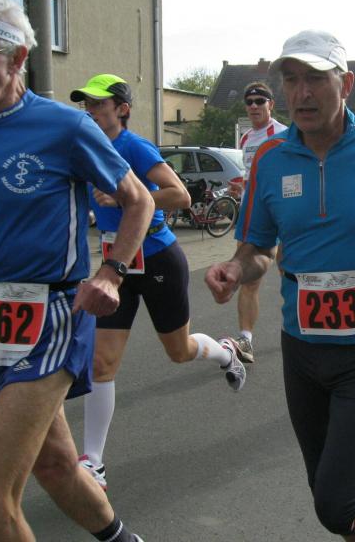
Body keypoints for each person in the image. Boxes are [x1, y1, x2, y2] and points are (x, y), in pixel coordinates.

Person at [205, 30, 355, 542]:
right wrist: (234, 269)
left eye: (316, 78)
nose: (302, 92)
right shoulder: (269, 159)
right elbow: (257, 250)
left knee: (337, 502)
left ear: (346, 83)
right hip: (302, 349)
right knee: (328, 494)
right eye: (291, 80)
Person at [0, 0, 149, 541]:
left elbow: (138, 200)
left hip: (53, 316)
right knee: (57, 465)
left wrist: (111, 272)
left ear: (17, 57)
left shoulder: (65, 127)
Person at [71, 74, 246, 490]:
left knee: (179, 351)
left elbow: (180, 195)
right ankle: (93, 461)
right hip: (115, 263)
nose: (90, 112)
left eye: (98, 104)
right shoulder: (86, 149)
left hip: (157, 258)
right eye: (86, 105)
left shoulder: (134, 147)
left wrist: (123, 198)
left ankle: (225, 353)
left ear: (122, 110)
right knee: (102, 362)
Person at [231, 81, 288, 362]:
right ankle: (246, 339)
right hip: (253, 215)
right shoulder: (246, 138)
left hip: (283, 213)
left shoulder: (284, 134)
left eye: (259, 101)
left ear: (271, 105)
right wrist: (241, 189)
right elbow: (250, 175)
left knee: (290, 273)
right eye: (249, 102)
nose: (254, 106)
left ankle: (299, 327)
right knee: (249, 278)